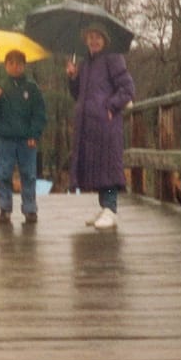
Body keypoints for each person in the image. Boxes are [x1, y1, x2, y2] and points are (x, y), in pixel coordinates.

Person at [66, 22, 135, 230]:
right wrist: (72, 78)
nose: (94, 40)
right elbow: (78, 95)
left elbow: (128, 89)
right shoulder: (86, 63)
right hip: (89, 127)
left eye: (98, 37)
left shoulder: (113, 58)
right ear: (86, 40)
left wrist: (110, 107)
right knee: (98, 168)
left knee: (109, 168)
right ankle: (104, 208)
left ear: (105, 40)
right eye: (90, 37)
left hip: (107, 124)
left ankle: (111, 209)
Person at [0, 49, 47, 225]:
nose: (15, 67)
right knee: (4, 174)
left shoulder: (32, 88)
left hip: (26, 140)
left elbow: (39, 114)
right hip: (5, 139)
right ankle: (4, 207)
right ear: (5, 66)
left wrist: (34, 134)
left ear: (24, 66)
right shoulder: (0, 87)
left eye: (19, 63)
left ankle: (30, 208)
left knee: (28, 174)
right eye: (11, 63)